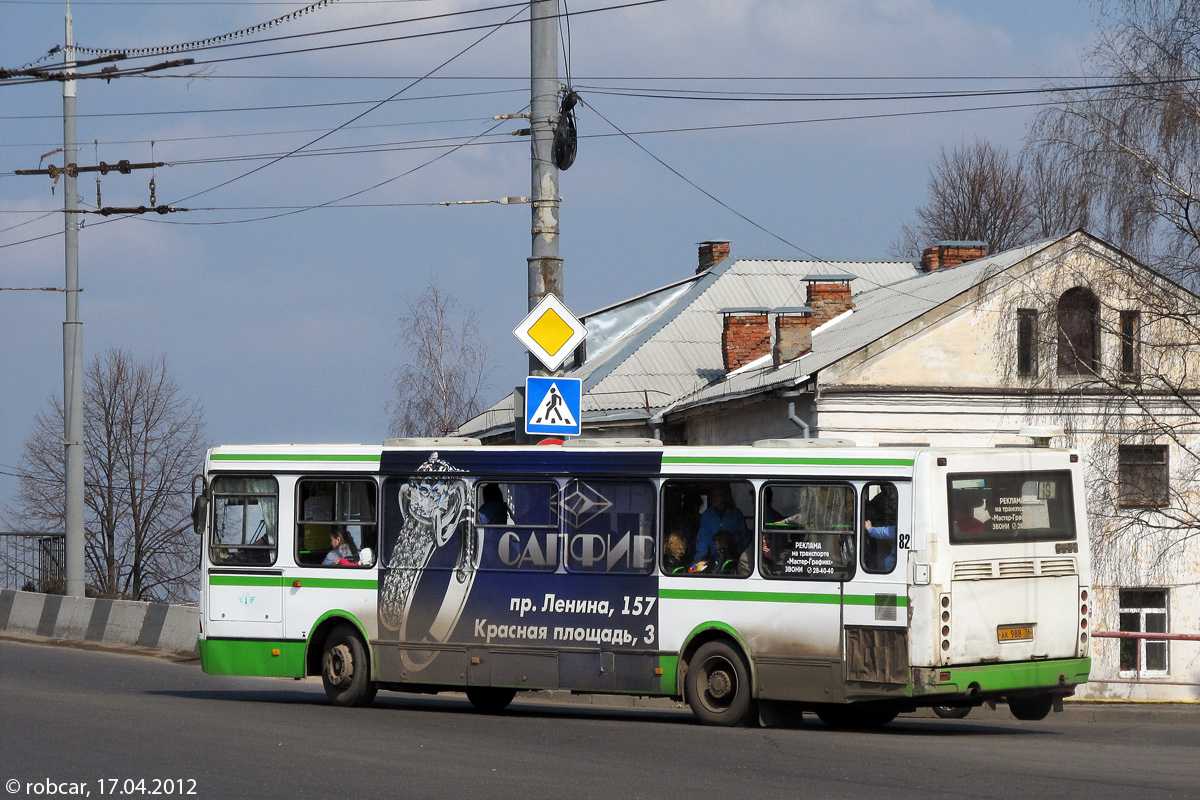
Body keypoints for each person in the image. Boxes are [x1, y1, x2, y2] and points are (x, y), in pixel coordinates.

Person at [695, 483, 749, 560]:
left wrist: (742, 557)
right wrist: (700, 559)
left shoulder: (736, 514)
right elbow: (702, 539)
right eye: (712, 495)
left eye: (717, 495)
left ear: (725, 496)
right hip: (714, 559)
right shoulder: (707, 515)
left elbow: (744, 538)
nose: (714, 498)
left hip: (734, 559)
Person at [864, 484, 898, 571]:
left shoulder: (882, 499)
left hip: (883, 540)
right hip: (881, 541)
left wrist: (870, 529)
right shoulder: (883, 499)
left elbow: (887, 532)